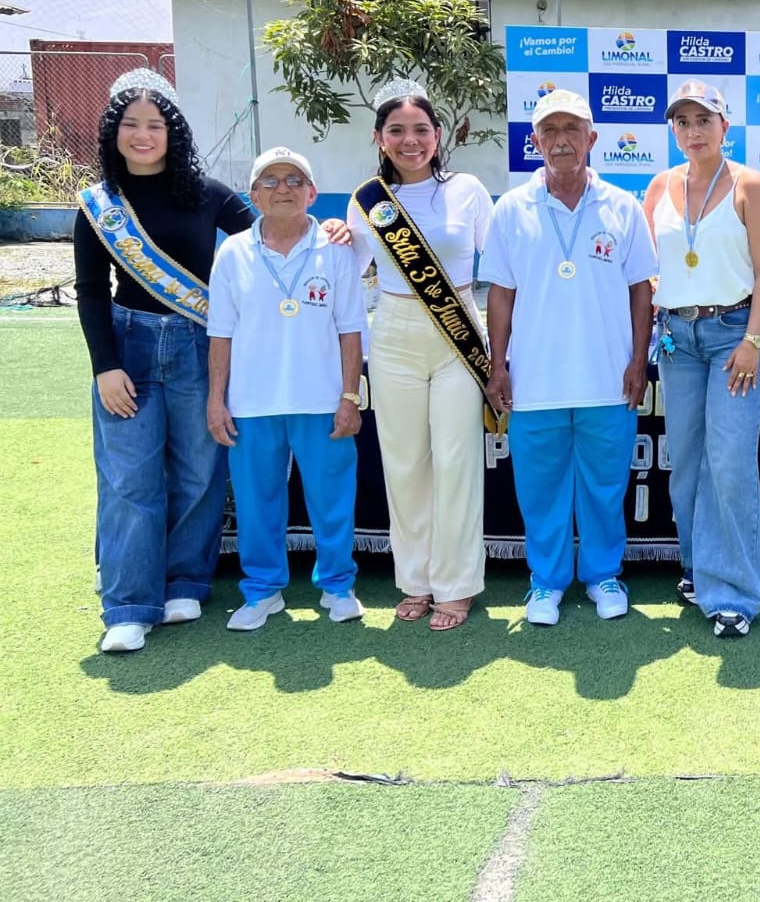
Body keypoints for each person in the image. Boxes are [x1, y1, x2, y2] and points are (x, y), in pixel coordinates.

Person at [75, 69, 253, 653]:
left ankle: (185, 582)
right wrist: (105, 365)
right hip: (127, 347)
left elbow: (274, 236)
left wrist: (328, 230)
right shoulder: (99, 206)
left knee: (199, 471)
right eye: (131, 124)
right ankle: (129, 604)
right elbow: (90, 291)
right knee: (129, 479)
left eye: (155, 125)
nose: (143, 135)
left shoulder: (208, 194)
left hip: (198, 344)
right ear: (114, 132)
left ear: (173, 133)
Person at [481, 89, 657, 627]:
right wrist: (497, 363)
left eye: (572, 130)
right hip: (535, 380)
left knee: (605, 486)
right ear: (535, 142)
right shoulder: (511, 209)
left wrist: (638, 361)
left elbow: (641, 290)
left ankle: (604, 575)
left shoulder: (622, 206)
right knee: (541, 490)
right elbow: (501, 293)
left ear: (591, 138)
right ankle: (546, 581)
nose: (561, 141)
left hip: (608, 378)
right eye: (550, 131)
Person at [347, 79, 494, 632]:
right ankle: (415, 581)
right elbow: (348, 269)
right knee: (405, 463)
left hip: (457, 329)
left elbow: (499, 263)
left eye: (421, 130)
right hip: (394, 330)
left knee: (457, 462)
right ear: (379, 138)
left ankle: (457, 585)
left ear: (438, 135)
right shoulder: (367, 202)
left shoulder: (468, 190)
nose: (410, 141)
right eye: (397, 131)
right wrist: (334, 233)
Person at [206, 147, 366, 631]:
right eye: (270, 181)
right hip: (252, 402)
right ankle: (262, 590)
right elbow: (220, 333)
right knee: (257, 503)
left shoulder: (336, 249)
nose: (283, 189)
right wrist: (216, 400)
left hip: (321, 399)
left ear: (312, 193)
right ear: (253, 195)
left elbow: (350, 330)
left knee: (332, 499)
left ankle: (338, 585)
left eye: (294, 180)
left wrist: (350, 396)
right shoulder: (233, 252)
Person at [643, 80, 760, 638]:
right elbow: (648, 264)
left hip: (733, 339)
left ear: (725, 126)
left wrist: (753, 340)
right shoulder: (660, 186)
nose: (693, 131)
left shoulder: (750, 184)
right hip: (677, 340)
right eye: (683, 121)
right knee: (687, 463)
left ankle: (735, 594)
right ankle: (698, 569)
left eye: (704, 120)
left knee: (728, 462)